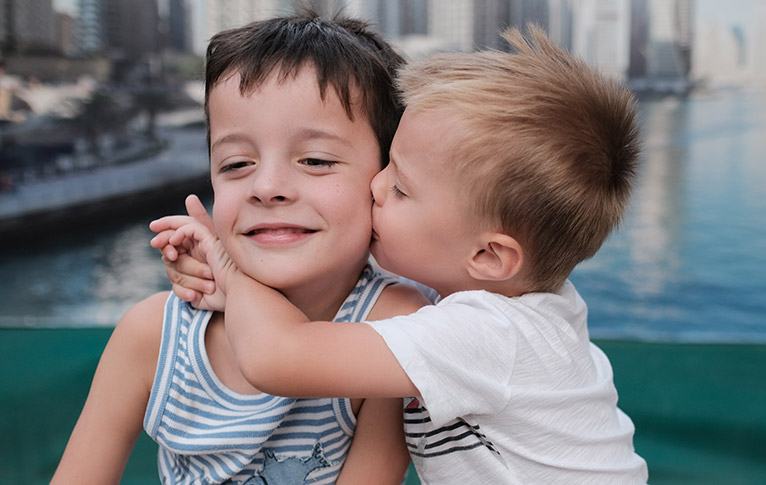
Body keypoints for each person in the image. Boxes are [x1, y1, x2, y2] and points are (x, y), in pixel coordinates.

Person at [156, 25, 648, 484]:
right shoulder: (517, 300)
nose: (375, 184)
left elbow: (275, 358)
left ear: (490, 256)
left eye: (402, 188)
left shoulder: (484, 334)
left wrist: (231, 271)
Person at [52, 9, 426, 484]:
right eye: (235, 164)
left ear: (385, 179)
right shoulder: (152, 333)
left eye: (314, 159)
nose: (267, 187)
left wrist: (232, 280)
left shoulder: (393, 325)